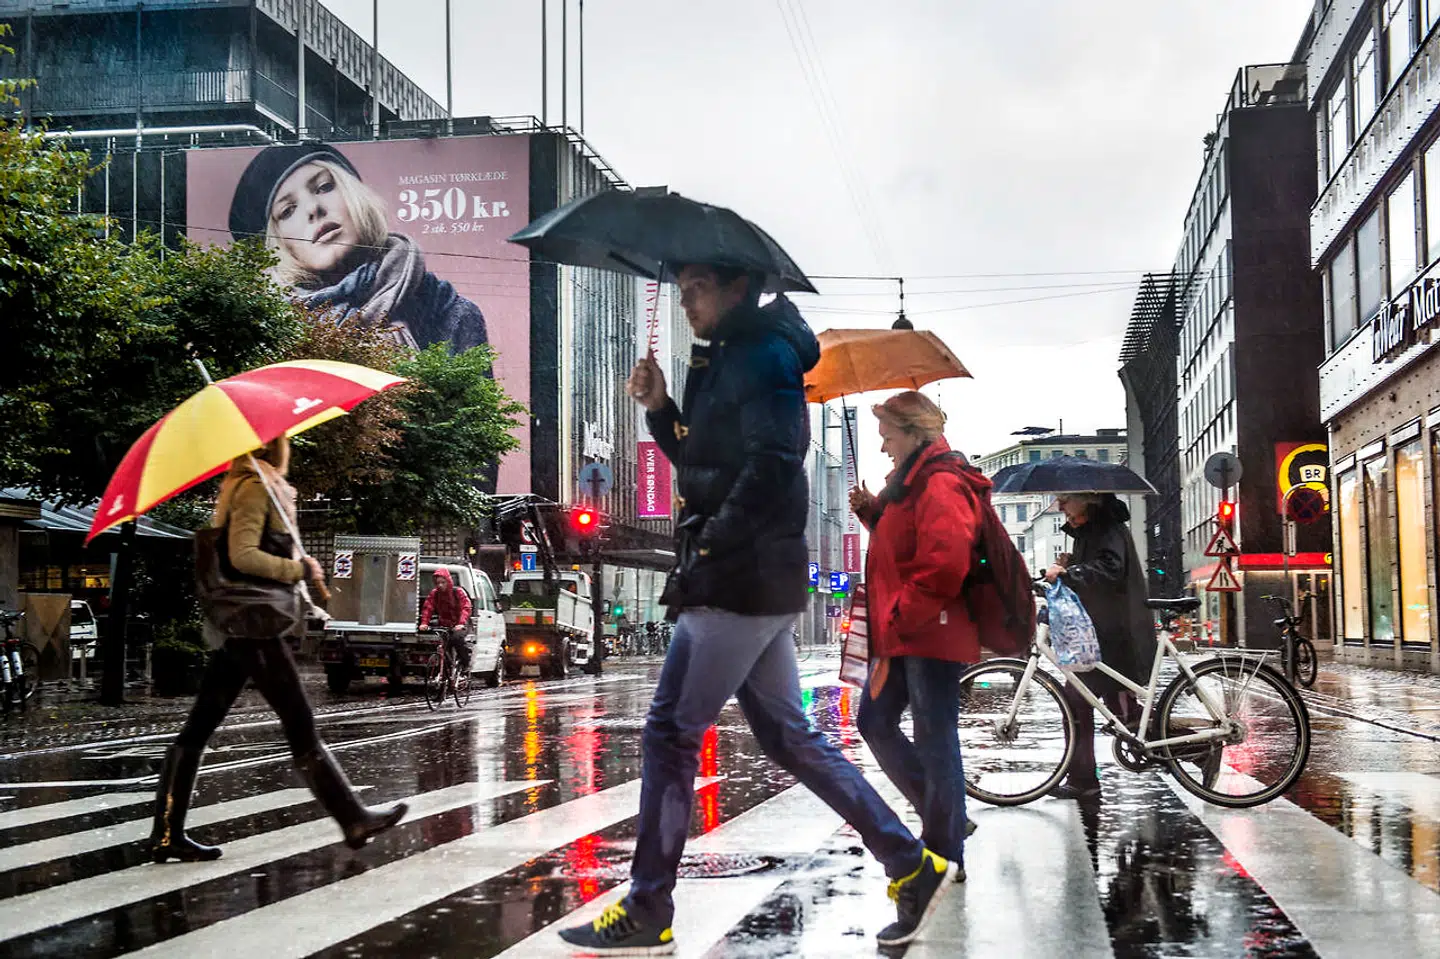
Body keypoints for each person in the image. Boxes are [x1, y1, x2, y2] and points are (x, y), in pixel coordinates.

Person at [558, 266, 955, 956]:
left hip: (738, 575)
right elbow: (704, 463)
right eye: (679, 288)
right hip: (753, 573)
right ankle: (908, 862)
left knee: (668, 732)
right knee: (791, 737)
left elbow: (775, 462)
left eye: (697, 287)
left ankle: (650, 904)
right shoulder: (725, 359)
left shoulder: (764, 354)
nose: (685, 301)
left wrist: (712, 544)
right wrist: (659, 409)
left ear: (737, 286)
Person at [148, 437, 408, 863]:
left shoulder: (262, 485)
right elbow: (242, 555)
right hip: (256, 624)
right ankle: (352, 819)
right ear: (272, 446)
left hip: (249, 626)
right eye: (285, 439)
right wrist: (297, 568)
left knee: (200, 725)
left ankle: (165, 834)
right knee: (299, 721)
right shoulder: (253, 486)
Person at [851, 391, 985, 874]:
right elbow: (904, 546)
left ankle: (945, 852)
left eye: (888, 434)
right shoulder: (910, 482)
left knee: (934, 736)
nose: (883, 445)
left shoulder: (940, 482)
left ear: (912, 432)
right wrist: (872, 514)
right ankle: (945, 817)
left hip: (927, 631)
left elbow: (945, 562)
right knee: (875, 721)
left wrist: (903, 613)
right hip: (907, 631)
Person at [227, 143, 488, 354]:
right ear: (280, 244)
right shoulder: (268, 330)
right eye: (288, 211)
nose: (313, 209)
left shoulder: (449, 312)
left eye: (324, 187)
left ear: (355, 197)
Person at [1043, 492, 1153, 800]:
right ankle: (1083, 778)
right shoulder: (1094, 529)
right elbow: (1099, 569)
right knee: (1121, 712)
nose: (1061, 505)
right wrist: (1071, 564)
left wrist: (1072, 571)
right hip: (1105, 634)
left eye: (1065, 499)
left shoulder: (1107, 529)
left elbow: (1111, 569)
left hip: (1115, 634)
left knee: (1085, 703)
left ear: (1088, 499)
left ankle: (1084, 780)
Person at [421, 567, 473, 675]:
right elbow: (428, 608)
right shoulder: (435, 594)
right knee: (442, 645)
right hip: (444, 624)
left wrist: (461, 623)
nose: (440, 585)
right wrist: (424, 623)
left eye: (443, 582)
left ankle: (465, 664)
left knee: (457, 639)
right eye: (438, 583)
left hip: (460, 624)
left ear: (448, 581)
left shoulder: (458, 592)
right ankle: (444, 673)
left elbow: (466, 607)